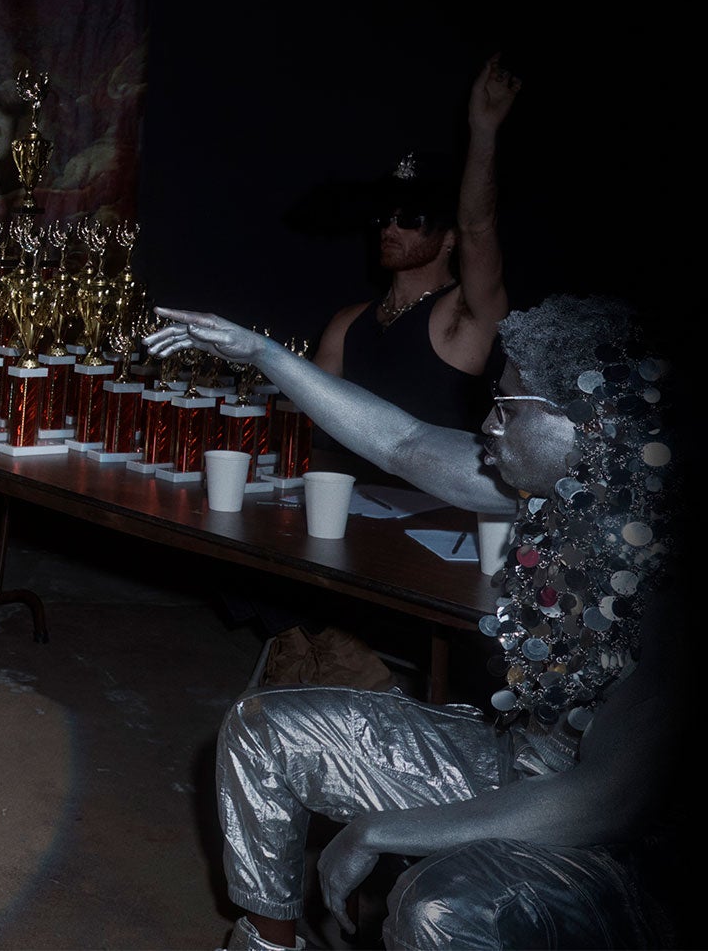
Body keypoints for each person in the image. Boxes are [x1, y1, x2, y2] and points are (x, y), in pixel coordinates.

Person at [145, 299, 679, 949]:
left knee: (440, 908)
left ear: (588, 422)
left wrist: (377, 830)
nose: (488, 422)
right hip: (516, 763)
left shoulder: (671, 570)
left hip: (618, 852)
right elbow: (403, 441)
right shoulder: (570, 487)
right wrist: (263, 353)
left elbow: (606, 800)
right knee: (266, 730)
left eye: (508, 407)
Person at [313, 55, 521, 437]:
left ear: (450, 237)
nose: (390, 228)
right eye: (384, 218)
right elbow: (308, 422)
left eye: (409, 219)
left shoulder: (466, 313)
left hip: (442, 480)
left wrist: (483, 130)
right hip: (346, 478)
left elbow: (478, 227)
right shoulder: (346, 324)